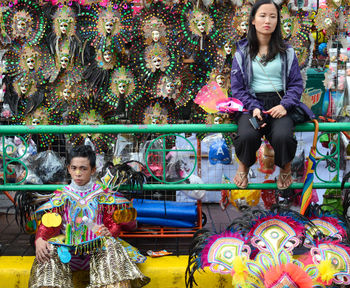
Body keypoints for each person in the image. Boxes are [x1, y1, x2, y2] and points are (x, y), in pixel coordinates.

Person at [28, 145, 150, 288]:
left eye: (83, 168)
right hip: (67, 254)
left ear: (93, 170)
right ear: (68, 169)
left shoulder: (104, 194)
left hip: (98, 252)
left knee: (111, 245)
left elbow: (113, 224)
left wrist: (108, 232)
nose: (78, 173)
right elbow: (48, 224)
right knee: (47, 253)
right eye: (74, 168)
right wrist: (40, 240)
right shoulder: (61, 196)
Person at [230, 0, 313, 190]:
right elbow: (237, 88)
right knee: (246, 136)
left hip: (280, 104)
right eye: (262, 15)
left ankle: (285, 168)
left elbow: (295, 84)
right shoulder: (241, 52)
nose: (267, 20)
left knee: (284, 135)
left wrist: (285, 105)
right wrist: (254, 107)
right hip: (251, 105)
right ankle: (243, 167)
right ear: (252, 20)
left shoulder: (287, 52)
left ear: (277, 21)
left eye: (272, 16)